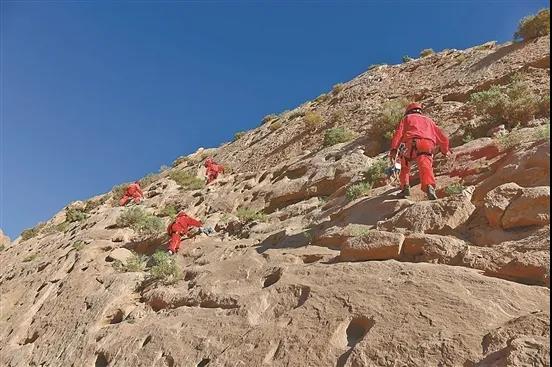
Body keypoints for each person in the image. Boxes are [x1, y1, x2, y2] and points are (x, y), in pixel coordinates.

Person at [389, 102, 450, 200]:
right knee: (425, 165)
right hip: (428, 144)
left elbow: (398, 134)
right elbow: (443, 137)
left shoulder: (406, 119)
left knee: (403, 162)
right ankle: (429, 186)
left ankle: (405, 187)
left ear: (408, 111)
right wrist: (445, 150)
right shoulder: (429, 121)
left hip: (412, 143)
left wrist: (394, 149)